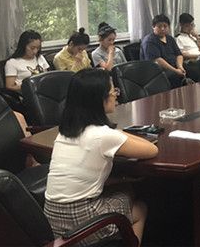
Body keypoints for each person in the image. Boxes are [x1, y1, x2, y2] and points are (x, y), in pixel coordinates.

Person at [44, 69, 158, 245]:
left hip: (52, 218)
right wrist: (117, 132)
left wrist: (115, 133)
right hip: (82, 221)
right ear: (99, 99)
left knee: (122, 186)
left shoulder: (65, 132)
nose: (116, 94)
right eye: (113, 91)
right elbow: (151, 149)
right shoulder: (102, 135)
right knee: (139, 206)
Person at [140, 14, 185, 88]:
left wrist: (180, 67)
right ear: (153, 27)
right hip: (157, 71)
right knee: (174, 76)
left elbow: (179, 54)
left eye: (165, 26)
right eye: (159, 26)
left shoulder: (170, 39)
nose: (162, 29)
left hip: (174, 67)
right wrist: (175, 71)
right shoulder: (149, 41)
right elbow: (158, 61)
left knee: (191, 69)